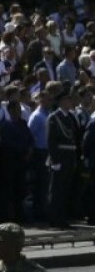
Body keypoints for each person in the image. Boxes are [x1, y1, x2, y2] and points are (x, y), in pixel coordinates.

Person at [46, 91, 81, 228]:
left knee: (66, 189)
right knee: (56, 189)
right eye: (67, 100)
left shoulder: (71, 117)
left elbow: (76, 138)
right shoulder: (54, 117)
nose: (69, 102)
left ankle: (63, 217)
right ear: (60, 102)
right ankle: (54, 218)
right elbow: (51, 140)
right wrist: (55, 160)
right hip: (59, 156)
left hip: (69, 155)